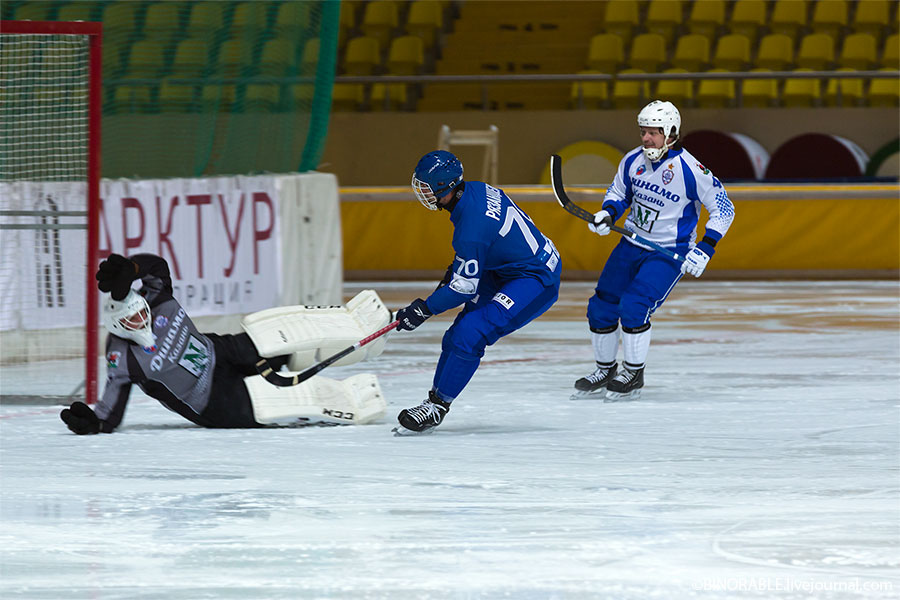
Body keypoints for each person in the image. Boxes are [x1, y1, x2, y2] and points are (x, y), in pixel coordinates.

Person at [60, 253, 390, 435]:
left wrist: (130, 268)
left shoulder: (156, 299)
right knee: (281, 400)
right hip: (212, 401)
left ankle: (358, 332)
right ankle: (351, 399)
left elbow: (156, 266)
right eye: (132, 321)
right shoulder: (121, 356)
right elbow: (112, 407)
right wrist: (95, 421)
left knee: (280, 335)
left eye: (142, 313)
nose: (141, 321)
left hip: (219, 351)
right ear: (118, 325)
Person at [572, 100, 735, 401]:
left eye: (653, 132)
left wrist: (705, 248)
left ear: (671, 133)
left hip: (666, 253)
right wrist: (608, 213)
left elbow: (724, 209)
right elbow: (619, 193)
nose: (646, 138)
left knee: (634, 306)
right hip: (630, 245)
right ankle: (606, 368)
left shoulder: (692, 170)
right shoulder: (632, 160)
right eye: (643, 131)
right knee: (601, 306)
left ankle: (633, 373)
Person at [392, 150, 562, 434]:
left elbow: (462, 287)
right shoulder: (476, 190)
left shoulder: (470, 228)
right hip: (505, 267)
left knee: (472, 333)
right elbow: (483, 249)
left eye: (426, 187)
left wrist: (424, 309)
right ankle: (435, 400)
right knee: (458, 334)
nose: (422, 192)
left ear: (445, 188)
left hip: (535, 277)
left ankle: (437, 406)